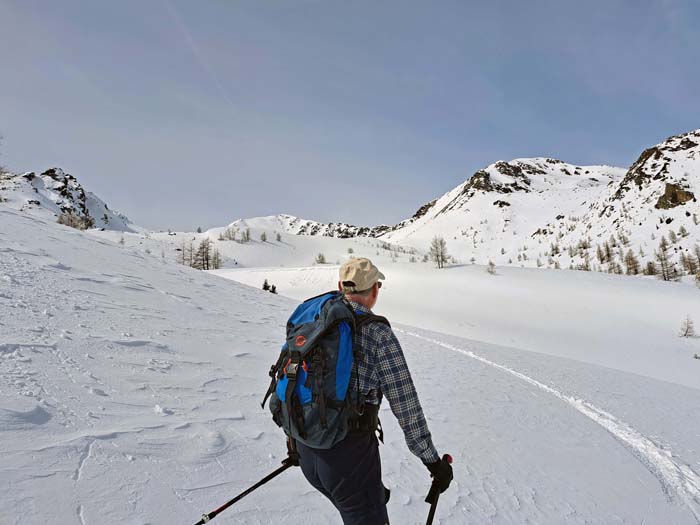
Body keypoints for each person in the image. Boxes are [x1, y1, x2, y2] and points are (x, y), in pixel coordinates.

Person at [294, 258, 453, 524]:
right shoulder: (378, 334)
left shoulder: (315, 320)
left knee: (360, 506)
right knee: (361, 506)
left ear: (340, 286)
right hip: (347, 458)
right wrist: (434, 463)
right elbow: (406, 406)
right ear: (375, 290)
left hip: (306, 451)